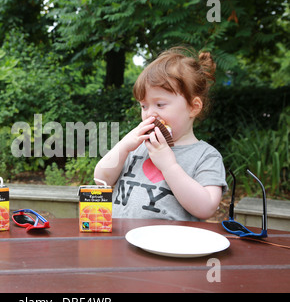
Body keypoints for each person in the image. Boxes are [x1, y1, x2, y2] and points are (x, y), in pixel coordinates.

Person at [94, 47, 227, 221]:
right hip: (121, 241)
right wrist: (123, 146)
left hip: (169, 246)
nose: (149, 114)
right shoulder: (137, 146)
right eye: (144, 106)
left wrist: (169, 166)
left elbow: (206, 207)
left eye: (160, 104)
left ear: (193, 107)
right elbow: (100, 180)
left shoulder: (205, 156)